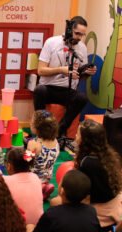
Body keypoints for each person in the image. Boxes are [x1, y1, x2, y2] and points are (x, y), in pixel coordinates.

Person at [33, 16, 97, 150]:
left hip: (68, 91)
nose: (80, 37)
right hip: (49, 88)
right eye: (77, 33)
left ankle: (60, 130)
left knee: (82, 98)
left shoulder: (82, 48)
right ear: (69, 30)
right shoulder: (51, 42)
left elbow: (80, 75)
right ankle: (42, 129)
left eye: (82, 35)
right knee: (39, 90)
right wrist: (61, 70)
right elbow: (40, 70)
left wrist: (87, 72)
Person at [51, 119, 122, 229]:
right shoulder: (106, 153)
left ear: (86, 140)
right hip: (112, 198)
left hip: (100, 205)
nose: (75, 135)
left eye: (78, 133)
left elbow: (81, 192)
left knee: (55, 202)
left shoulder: (87, 162)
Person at [4, 148, 43, 224]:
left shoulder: (4, 181)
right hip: (38, 227)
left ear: (9, 166)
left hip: (17, 229)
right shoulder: (35, 177)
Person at [27, 110, 60, 200]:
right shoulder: (56, 142)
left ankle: (37, 189)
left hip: (33, 179)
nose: (30, 122)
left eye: (32, 122)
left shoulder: (34, 144)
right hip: (47, 177)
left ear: (38, 128)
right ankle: (45, 186)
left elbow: (26, 161)